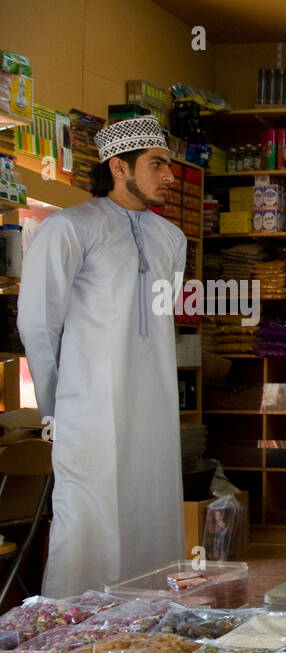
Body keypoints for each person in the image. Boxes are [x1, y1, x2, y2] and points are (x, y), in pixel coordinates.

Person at [17, 116, 186, 597]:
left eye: (168, 166)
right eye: (157, 165)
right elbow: (38, 322)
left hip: (152, 408)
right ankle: (69, 633)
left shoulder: (171, 239)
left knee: (152, 512)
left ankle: (149, 629)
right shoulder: (71, 228)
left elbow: (156, 324)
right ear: (119, 167)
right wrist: (57, 408)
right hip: (87, 410)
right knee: (89, 522)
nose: (169, 177)